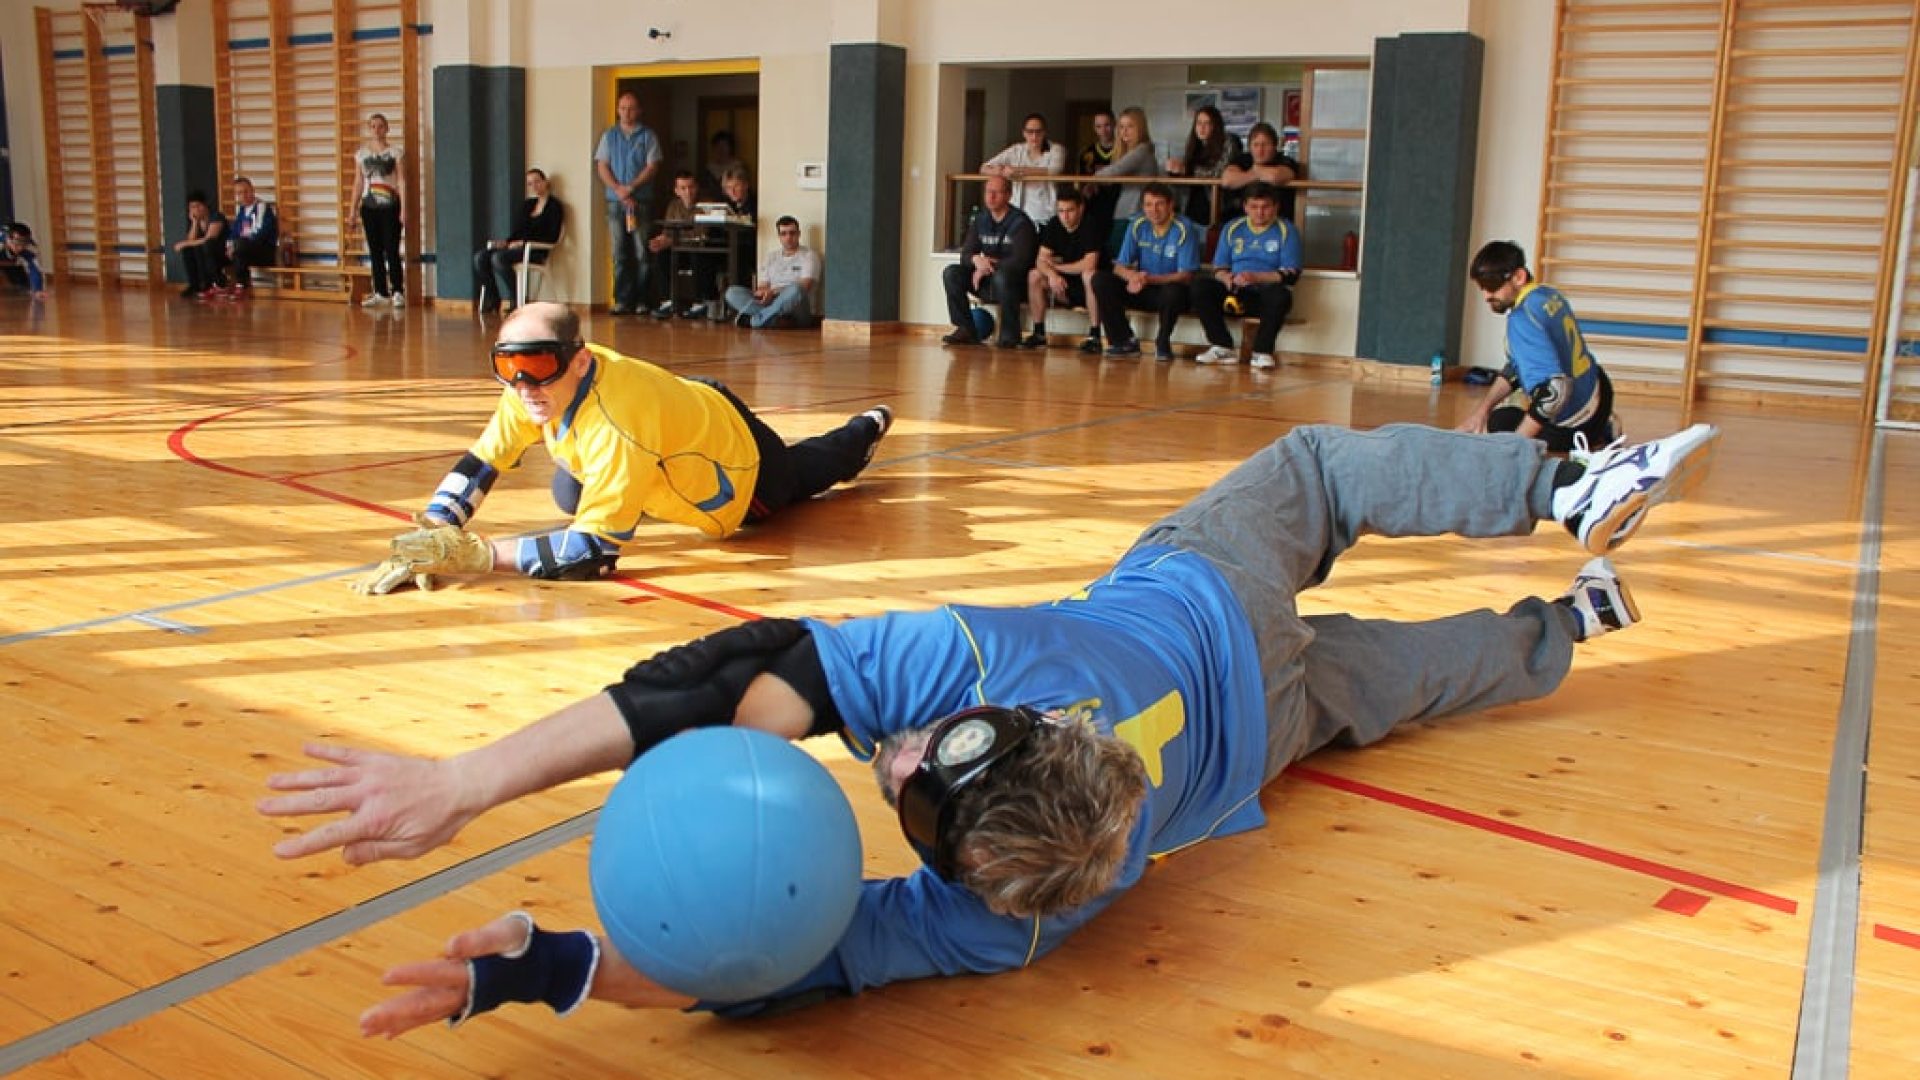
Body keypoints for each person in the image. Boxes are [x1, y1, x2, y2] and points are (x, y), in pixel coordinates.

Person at [260, 419, 1722, 1035]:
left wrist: (559, 960)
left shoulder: (1021, 910)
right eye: (912, 776)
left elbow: (782, 965)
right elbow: (750, 720)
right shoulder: (978, 677)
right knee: (1322, 475)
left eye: (908, 775)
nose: (887, 759)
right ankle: (1559, 490)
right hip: (1217, 607)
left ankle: (1559, 631)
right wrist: (534, 933)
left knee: (1393, 683)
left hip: (1250, 736)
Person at [344, 302, 893, 594]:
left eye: (535, 368)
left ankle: (862, 432)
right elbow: (482, 461)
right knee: (568, 491)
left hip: (738, 462)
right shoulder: (540, 381)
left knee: (805, 474)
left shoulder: (615, 423)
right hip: (682, 412)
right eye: (507, 369)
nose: (523, 387)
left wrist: (477, 556)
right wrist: (436, 527)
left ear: (578, 361)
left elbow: (592, 556)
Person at [1457, 241, 1620, 452]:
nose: (1487, 296)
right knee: (1506, 408)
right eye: (1482, 288)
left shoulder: (1522, 319)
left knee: (1501, 421)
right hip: (1601, 393)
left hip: (1577, 424)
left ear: (1518, 277)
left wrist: (1515, 447)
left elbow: (1556, 390)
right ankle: (1603, 426)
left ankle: (1594, 437)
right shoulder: (1549, 295)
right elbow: (1517, 366)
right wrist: (1482, 411)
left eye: (1492, 286)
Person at [1190, 183, 1303, 371]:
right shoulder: (1232, 228)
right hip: (1234, 291)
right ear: (1245, 207)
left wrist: (1256, 277)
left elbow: (1291, 275)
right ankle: (1222, 346)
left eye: (1265, 207)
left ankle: (1262, 352)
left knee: (1280, 296)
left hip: (1263, 294)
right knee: (1199, 287)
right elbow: (1219, 267)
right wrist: (1226, 278)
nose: (1260, 212)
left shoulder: (1287, 231)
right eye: (1254, 207)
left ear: (1276, 207)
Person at [1089, 183, 1200, 361]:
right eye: (1148, 205)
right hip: (1142, 286)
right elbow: (1119, 266)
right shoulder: (1137, 224)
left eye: (1159, 204)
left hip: (1168, 289)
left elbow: (1187, 275)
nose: (1153, 210)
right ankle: (1124, 341)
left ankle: (1163, 344)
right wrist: (1133, 277)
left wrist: (1149, 279)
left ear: (1171, 205)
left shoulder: (1184, 228)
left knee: (1174, 291)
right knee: (1100, 280)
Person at [940, 174, 1036, 348]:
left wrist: (988, 266)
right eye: (988, 192)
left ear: (1008, 195)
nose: (991, 197)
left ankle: (1010, 335)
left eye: (996, 193)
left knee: (1003, 276)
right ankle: (965, 329)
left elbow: (1022, 261)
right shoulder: (981, 220)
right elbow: (966, 254)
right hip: (985, 282)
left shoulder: (1021, 223)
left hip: (1014, 284)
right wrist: (976, 260)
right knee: (951, 273)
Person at [595, 91, 663, 316]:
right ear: (617, 110)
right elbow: (602, 165)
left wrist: (631, 187)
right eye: (623, 108)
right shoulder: (609, 136)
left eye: (632, 108)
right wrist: (618, 190)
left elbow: (652, 166)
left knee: (642, 252)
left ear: (639, 110)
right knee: (619, 252)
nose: (627, 112)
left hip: (640, 201)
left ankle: (643, 300)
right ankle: (622, 300)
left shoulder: (648, 136)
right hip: (616, 203)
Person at [1019, 187, 1103, 353]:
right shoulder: (1054, 224)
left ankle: (1095, 336)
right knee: (1034, 275)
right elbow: (1040, 260)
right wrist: (1052, 275)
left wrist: (1057, 268)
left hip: (1090, 287)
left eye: (1070, 210)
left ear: (1081, 208)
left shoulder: (1091, 224)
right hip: (1063, 284)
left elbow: (1089, 264)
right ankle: (1039, 333)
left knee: (1089, 275)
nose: (1065, 216)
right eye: (1061, 211)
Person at [473, 169, 565, 315]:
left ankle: (516, 299)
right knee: (480, 257)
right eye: (530, 184)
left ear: (545, 182)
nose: (534, 186)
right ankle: (493, 297)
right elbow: (518, 231)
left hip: (535, 250)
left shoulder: (555, 207)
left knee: (499, 258)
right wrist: (507, 242)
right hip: (517, 247)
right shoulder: (527, 205)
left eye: (537, 181)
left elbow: (552, 236)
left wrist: (524, 242)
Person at [352, 113, 406, 309]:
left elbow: (400, 180)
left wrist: (404, 209)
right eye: (373, 126)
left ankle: (398, 291)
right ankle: (380, 292)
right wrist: (352, 210)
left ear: (387, 128)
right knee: (375, 251)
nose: (377, 129)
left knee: (391, 249)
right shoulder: (361, 155)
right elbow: (358, 183)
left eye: (381, 126)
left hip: (390, 205)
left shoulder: (395, 153)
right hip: (370, 207)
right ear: (369, 129)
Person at [725, 216, 819, 329]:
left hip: (796, 307)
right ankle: (776, 321)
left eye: (792, 233)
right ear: (779, 236)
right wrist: (765, 293)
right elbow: (762, 286)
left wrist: (773, 292)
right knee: (732, 292)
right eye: (784, 234)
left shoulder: (809, 255)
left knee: (796, 289)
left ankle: (756, 321)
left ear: (799, 234)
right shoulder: (771, 256)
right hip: (771, 303)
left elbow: (805, 286)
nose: (788, 237)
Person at [1092, 107, 1161, 256]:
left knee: (1119, 254)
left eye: (1130, 126)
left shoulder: (1141, 150)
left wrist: (1093, 177)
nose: (1124, 131)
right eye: (1121, 127)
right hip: (1128, 209)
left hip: (1133, 210)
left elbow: (1112, 172)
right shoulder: (1130, 151)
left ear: (1140, 129)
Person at [981, 113, 1067, 225]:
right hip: (1018, 213)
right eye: (1030, 132)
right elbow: (983, 168)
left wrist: (1017, 171)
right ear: (1024, 133)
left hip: (1045, 213)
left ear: (1044, 132)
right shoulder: (1016, 150)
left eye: (1038, 132)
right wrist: (999, 171)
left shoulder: (1056, 149)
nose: (1034, 136)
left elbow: (1054, 170)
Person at [647, 171, 712, 319]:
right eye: (683, 188)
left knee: (699, 256)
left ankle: (699, 302)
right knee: (661, 255)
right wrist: (660, 240)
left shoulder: (706, 205)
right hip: (678, 249)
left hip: (699, 250)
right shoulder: (673, 206)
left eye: (691, 187)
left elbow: (701, 233)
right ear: (676, 191)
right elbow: (668, 231)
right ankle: (668, 301)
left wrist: (671, 240)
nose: (688, 192)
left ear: (697, 187)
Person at [1166, 105, 1243, 224]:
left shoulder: (1229, 142)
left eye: (1207, 123)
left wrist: (1187, 170)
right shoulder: (1195, 145)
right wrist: (1175, 171)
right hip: (1194, 207)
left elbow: (1219, 173)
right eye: (1199, 123)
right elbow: (1187, 179)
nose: (1202, 127)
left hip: (1220, 207)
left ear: (1215, 126)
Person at [1220, 122, 1301, 223]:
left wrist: (1251, 172)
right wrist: (1258, 174)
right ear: (1250, 147)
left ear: (1275, 146)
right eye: (1256, 145)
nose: (1260, 150)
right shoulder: (1243, 159)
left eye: (1265, 145)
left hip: (1277, 222)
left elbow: (1274, 176)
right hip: (1240, 221)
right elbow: (1227, 180)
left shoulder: (1285, 161)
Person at [222, 177, 278, 296]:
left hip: (263, 250)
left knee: (240, 246)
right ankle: (218, 284)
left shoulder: (262, 207)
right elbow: (234, 232)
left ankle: (242, 284)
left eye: (246, 191)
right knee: (217, 248)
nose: (244, 195)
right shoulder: (242, 211)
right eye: (239, 193)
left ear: (252, 190)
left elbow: (261, 233)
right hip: (244, 249)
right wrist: (229, 246)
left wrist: (237, 244)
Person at [171, 190, 228, 300]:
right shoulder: (197, 221)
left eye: (198, 206)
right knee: (188, 250)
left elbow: (209, 239)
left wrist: (185, 243)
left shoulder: (216, 217)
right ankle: (194, 285)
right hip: (205, 253)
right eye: (192, 207)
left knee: (199, 247)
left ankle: (208, 284)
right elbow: (191, 240)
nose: (195, 209)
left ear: (205, 205)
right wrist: (194, 223)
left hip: (221, 253)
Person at [1076, 108, 1121, 247]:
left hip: (1118, 203)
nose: (1103, 130)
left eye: (1107, 125)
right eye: (1098, 126)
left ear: (1114, 125)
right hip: (1094, 205)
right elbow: (1081, 181)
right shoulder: (1086, 153)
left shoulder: (1123, 151)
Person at [1, 222, 48, 301]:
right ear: (8, 239)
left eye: (23, 244)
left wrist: (37, 289)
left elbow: (35, 268)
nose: (20, 247)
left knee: (24, 287)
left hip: (11, 263)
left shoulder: (31, 248)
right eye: (17, 243)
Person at [703, 130, 741, 200]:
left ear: (730, 148)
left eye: (724, 145)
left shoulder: (738, 167)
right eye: (718, 146)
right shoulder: (708, 168)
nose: (721, 149)